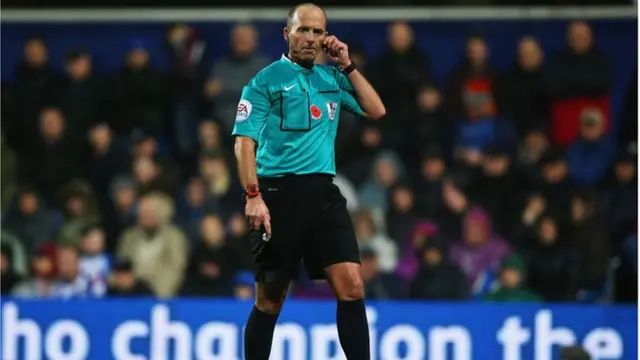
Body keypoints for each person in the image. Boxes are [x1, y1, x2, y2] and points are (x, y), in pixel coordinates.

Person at [231, 3, 385, 360]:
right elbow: (243, 143)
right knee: (270, 300)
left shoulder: (331, 79)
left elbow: (376, 109)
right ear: (288, 34)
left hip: (322, 194)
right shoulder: (264, 81)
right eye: (304, 30)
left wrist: (347, 63)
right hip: (276, 194)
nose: (311, 38)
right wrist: (253, 196)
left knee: (352, 286)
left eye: (318, 31)